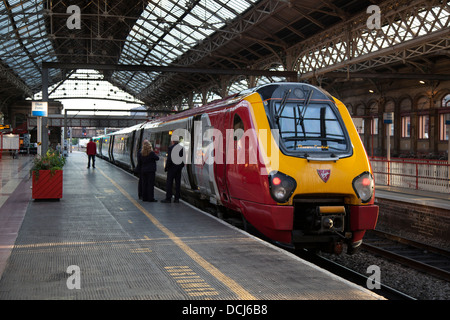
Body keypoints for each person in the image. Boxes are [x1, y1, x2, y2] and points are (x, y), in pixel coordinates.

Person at [161, 137, 184, 203]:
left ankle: (168, 198)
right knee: (178, 184)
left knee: (169, 183)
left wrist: (166, 167)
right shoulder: (182, 148)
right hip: (178, 169)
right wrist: (181, 166)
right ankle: (177, 199)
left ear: (173, 141)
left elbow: (169, 159)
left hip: (171, 168)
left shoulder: (171, 148)